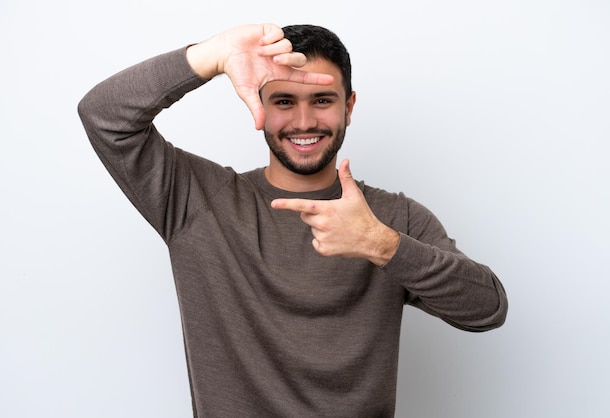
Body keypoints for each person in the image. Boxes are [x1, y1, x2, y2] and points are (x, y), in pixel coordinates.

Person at [78, 23, 507, 418]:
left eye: (322, 100)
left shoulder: (393, 218)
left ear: (349, 107)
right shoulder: (197, 200)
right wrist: (211, 56)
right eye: (284, 101)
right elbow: (104, 116)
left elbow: (487, 309)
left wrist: (381, 244)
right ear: (259, 102)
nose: (304, 122)